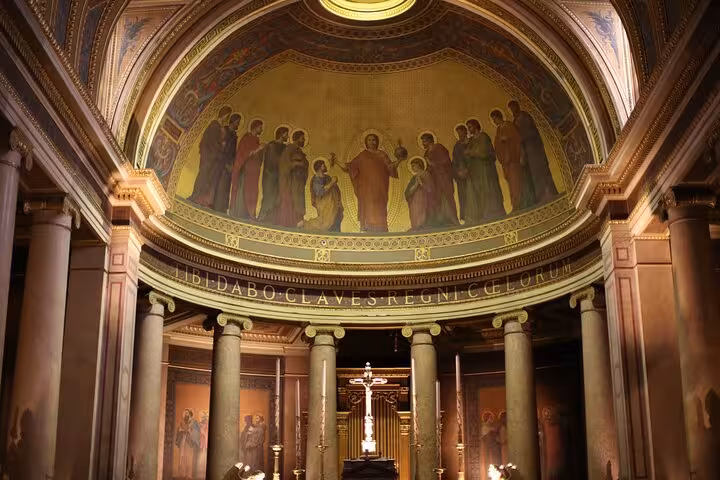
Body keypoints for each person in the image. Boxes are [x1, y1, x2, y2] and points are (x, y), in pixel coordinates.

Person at [336, 133, 401, 232]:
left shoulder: (382, 155)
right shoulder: (363, 155)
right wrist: (336, 161)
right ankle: (367, 228)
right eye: (369, 140)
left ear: (377, 142)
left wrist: (399, 160)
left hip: (380, 188)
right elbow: (349, 167)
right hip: (366, 189)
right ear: (366, 142)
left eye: (374, 140)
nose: (372, 142)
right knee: (368, 207)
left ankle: (381, 228)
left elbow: (390, 167)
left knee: (379, 207)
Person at [508, 100, 558, 202]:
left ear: (517, 106)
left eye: (513, 107)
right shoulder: (515, 120)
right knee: (533, 173)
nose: (512, 110)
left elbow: (529, 131)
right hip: (526, 151)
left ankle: (548, 192)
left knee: (540, 169)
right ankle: (540, 195)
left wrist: (520, 138)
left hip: (534, 148)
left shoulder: (524, 116)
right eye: (510, 109)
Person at [490, 109, 536, 211]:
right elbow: (497, 145)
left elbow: (517, 139)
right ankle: (515, 204)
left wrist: (507, 139)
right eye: (493, 120)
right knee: (511, 184)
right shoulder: (499, 130)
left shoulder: (509, 125)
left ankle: (521, 203)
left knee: (517, 181)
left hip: (514, 159)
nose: (494, 122)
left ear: (499, 117)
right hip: (506, 162)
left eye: (495, 119)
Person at [190, 106, 232, 206]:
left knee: (210, 179)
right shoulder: (214, 126)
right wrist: (220, 145)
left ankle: (204, 199)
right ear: (223, 115)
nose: (227, 118)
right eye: (227, 116)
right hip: (209, 157)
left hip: (214, 159)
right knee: (204, 175)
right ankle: (196, 196)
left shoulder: (220, 128)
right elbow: (209, 142)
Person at [464, 119, 505, 222]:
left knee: (489, 190)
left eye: (470, 127)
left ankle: (493, 213)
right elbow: (467, 154)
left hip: (486, 169)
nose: (468, 130)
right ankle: (483, 213)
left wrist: (471, 152)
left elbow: (484, 152)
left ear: (476, 126)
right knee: (479, 191)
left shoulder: (483, 136)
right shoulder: (471, 140)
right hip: (476, 172)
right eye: (468, 128)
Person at [422, 132, 458, 227]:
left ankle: (451, 220)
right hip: (434, 179)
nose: (423, 143)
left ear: (430, 140)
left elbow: (445, 161)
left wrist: (434, 164)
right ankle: (440, 220)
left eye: (424, 141)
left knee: (445, 196)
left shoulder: (438, 147)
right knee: (436, 198)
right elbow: (428, 167)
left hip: (443, 177)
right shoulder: (426, 153)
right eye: (422, 141)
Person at [230, 119, 264, 218]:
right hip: (245, 171)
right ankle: (240, 213)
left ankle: (249, 213)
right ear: (256, 127)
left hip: (253, 173)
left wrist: (261, 150)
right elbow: (244, 154)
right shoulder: (247, 138)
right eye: (260, 127)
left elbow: (256, 157)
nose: (261, 130)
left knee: (252, 191)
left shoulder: (256, 140)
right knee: (244, 191)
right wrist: (259, 149)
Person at [257, 126, 290, 223]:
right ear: (281, 134)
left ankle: (273, 220)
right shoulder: (272, 145)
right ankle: (262, 218)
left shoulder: (285, 147)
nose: (287, 136)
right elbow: (273, 161)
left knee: (277, 199)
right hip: (270, 177)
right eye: (286, 134)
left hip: (279, 177)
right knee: (269, 197)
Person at [277, 130, 309, 228]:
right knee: (293, 201)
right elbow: (284, 164)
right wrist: (296, 163)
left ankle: (298, 221)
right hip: (292, 182)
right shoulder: (289, 149)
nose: (304, 140)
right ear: (297, 138)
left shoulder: (299, 151)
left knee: (298, 201)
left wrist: (304, 164)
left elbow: (304, 163)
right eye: (302, 138)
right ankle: (292, 222)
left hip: (299, 182)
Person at [301, 158, 343, 231]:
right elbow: (320, 192)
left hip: (333, 203)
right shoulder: (316, 179)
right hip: (323, 204)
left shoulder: (327, 177)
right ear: (319, 167)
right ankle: (306, 224)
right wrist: (332, 182)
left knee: (335, 218)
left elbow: (335, 190)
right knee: (324, 222)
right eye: (324, 166)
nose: (326, 167)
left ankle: (334, 234)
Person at [212, 113, 242, 213]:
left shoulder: (234, 135)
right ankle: (215, 206)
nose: (238, 124)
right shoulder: (224, 131)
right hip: (221, 163)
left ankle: (222, 208)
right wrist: (225, 163)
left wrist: (232, 164)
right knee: (219, 184)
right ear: (233, 122)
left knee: (225, 187)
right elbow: (220, 148)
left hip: (229, 164)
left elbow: (233, 152)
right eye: (237, 122)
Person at [404, 156, 435, 230]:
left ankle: (422, 226)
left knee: (422, 213)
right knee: (415, 213)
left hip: (424, 199)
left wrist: (421, 184)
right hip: (414, 200)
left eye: (413, 166)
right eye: (411, 166)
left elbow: (431, 189)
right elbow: (407, 192)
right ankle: (416, 227)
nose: (412, 168)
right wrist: (415, 186)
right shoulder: (414, 177)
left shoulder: (426, 174)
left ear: (419, 165)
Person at [452, 124, 470, 222]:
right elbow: (454, 161)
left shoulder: (471, 143)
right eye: (458, 133)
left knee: (473, 194)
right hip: (461, 176)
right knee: (463, 196)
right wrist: (457, 172)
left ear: (465, 132)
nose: (460, 135)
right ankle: (466, 215)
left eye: (461, 132)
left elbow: (475, 158)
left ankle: (476, 214)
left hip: (472, 174)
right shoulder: (457, 146)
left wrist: (468, 170)